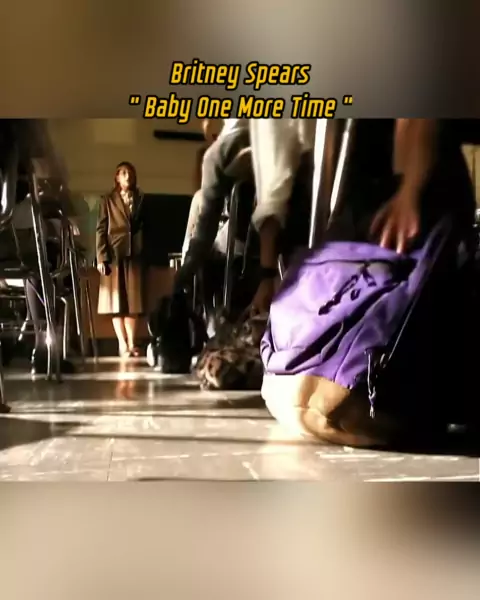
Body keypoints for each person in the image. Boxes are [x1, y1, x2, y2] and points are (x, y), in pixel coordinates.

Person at [96, 161, 145, 358]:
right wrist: (101, 257)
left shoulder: (141, 198)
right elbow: (101, 229)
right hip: (114, 254)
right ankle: (122, 344)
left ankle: (132, 343)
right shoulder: (107, 200)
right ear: (117, 177)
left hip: (135, 254)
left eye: (130, 172)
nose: (127, 176)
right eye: (123, 173)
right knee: (116, 302)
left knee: (133, 302)